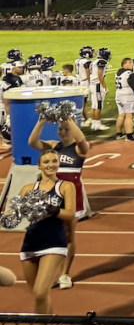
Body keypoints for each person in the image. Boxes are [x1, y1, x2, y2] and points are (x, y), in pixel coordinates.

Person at [17, 149, 75, 325]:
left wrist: (53, 209)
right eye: (47, 161)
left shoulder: (65, 186)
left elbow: (70, 214)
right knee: (38, 296)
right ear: (39, 165)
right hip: (30, 244)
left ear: (59, 163)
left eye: (54, 161)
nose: (51, 164)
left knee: (42, 293)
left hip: (54, 243)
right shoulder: (27, 189)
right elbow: (18, 215)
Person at [28, 112, 89, 289]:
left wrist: (69, 118)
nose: (62, 132)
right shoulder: (54, 147)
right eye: (60, 129)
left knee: (68, 236)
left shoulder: (80, 149)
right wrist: (41, 121)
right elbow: (32, 142)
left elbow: (82, 139)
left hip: (71, 197)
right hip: (52, 196)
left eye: (66, 129)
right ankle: (50, 273)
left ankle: (65, 275)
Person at [112, 58, 134, 141]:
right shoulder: (130, 74)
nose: (132, 64)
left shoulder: (118, 72)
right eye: (130, 63)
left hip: (119, 95)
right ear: (124, 64)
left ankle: (119, 134)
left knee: (121, 115)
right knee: (129, 115)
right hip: (128, 96)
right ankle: (129, 135)